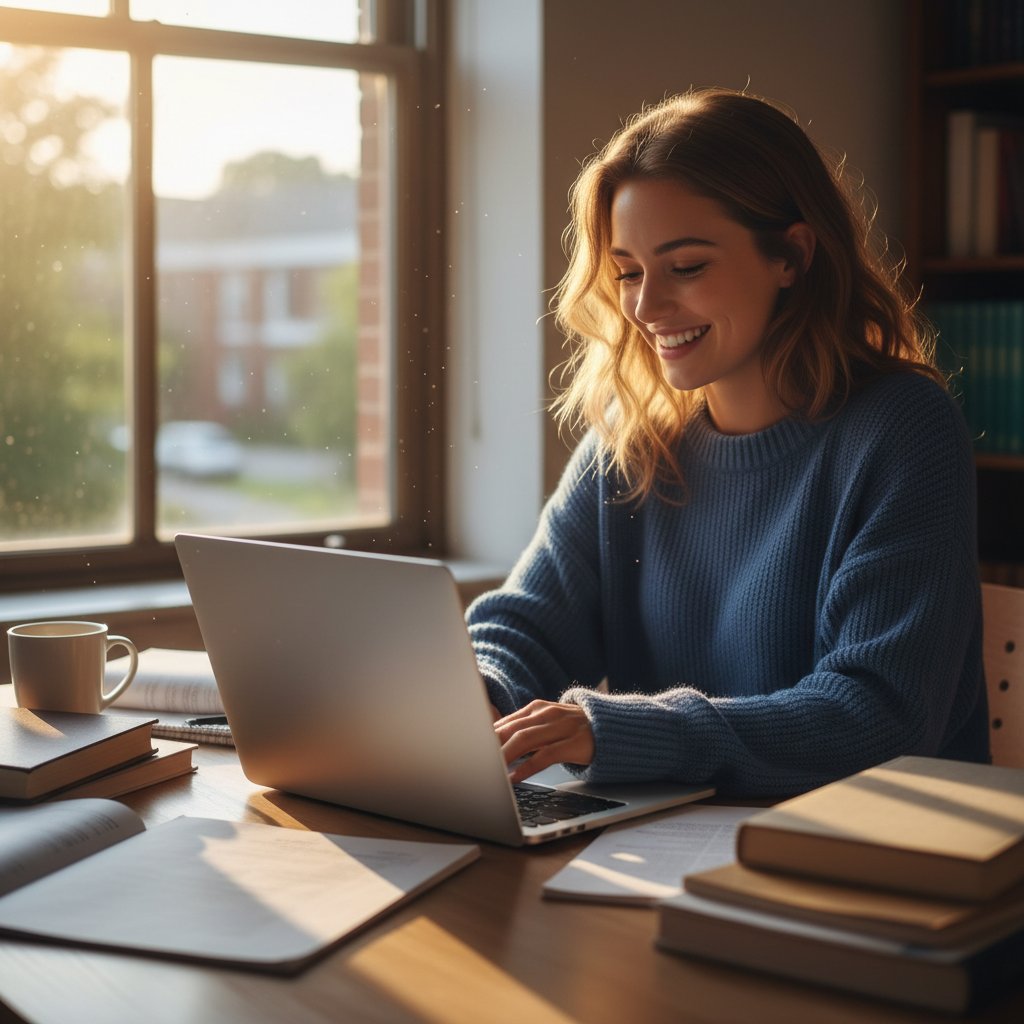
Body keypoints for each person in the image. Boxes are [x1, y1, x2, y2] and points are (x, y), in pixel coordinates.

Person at [467, 87, 989, 797]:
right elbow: (523, 625)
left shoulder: (901, 430)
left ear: (791, 257)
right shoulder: (633, 440)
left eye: (686, 267)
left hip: (875, 861)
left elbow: (878, 716)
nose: (646, 307)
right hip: (678, 845)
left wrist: (619, 732)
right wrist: (479, 695)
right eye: (627, 273)